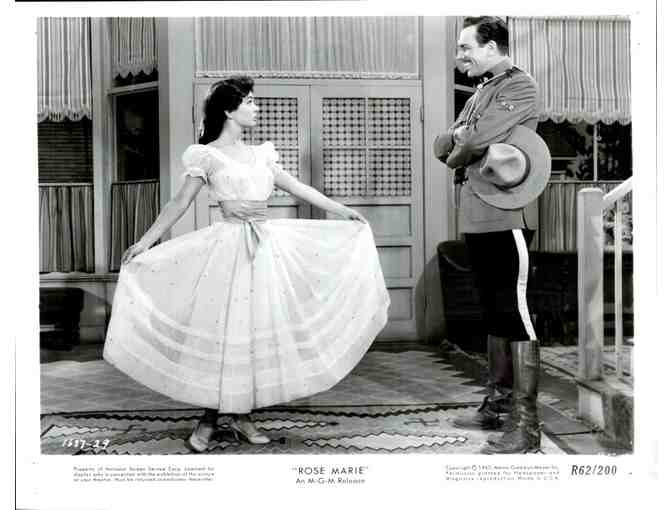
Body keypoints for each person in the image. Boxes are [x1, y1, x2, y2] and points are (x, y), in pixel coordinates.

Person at [103, 75, 390, 453]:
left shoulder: (262, 154)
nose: (257, 107)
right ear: (228, 110)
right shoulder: (206, 156)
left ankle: (242, 417)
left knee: (255, 335)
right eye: (250, 101)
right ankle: (209, 418)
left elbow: (299, 188)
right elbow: (179, 203)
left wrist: (342, 210)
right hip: (227, 252)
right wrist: (145, 242)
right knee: (227, 336)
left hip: (265, 251)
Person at [433, 17, 550, 454]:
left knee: (515, 315)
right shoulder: (480, 92)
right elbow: (441, 143)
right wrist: (459, 140)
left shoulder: (520, 85)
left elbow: (474, 139)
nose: (459, 56)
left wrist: (461, 144)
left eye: (466, 47)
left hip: (507, 215)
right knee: (493, 313)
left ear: (491, 47)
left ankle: (527, 426)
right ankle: (498, 405)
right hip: (476, 215)